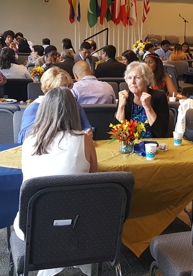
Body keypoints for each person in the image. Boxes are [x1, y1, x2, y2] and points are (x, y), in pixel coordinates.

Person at [15, 87, 97, 276]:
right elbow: (94, 182)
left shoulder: (29, 141)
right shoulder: (85, 140)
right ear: (74, 111)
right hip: (79, 225)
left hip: (34, 226)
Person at [18, 68, 93, 142]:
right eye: (63, 87)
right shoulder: (34, 108)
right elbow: (23, 137)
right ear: (50, 89)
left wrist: (87, 132)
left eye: (69, 86)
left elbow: (86, 125)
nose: (68, 91)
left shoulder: (74, 105)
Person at [116, 62, 169, 138]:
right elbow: (117, 133)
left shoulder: (159, 97)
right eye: (129, 78)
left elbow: (161, 133)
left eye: (137, 78)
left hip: (152, 146)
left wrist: (148, 108)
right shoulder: (124, 97)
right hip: (129, 145)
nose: (133, 82)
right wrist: (121, 106)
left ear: (147, 80)